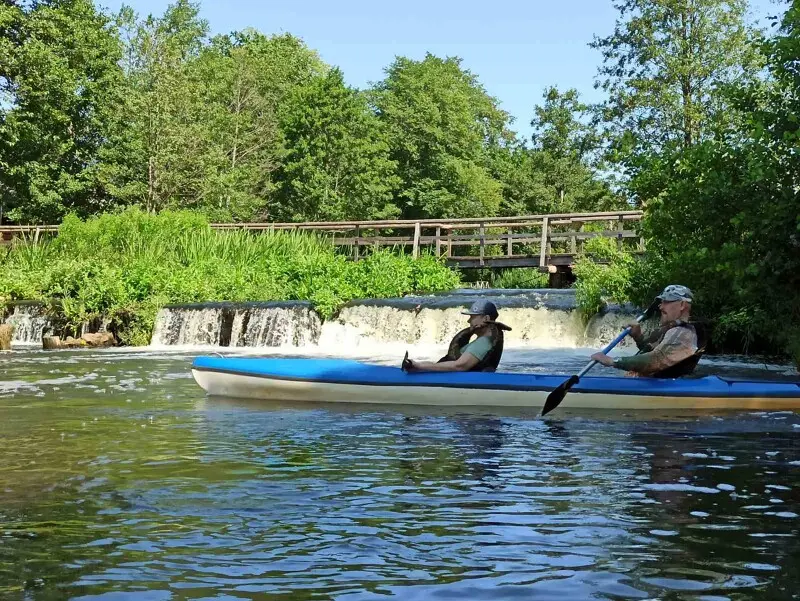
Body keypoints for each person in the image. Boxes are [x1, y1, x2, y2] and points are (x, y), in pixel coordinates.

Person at [590, 284, 704, 378]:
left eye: (666, 301)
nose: (661, 307)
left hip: (665, 389)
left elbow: (655, 360)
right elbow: (654, 352)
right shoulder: (673, 329)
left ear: (682, 305)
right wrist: (638, 337)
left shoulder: (683, 333)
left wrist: (613, 361)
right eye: (661, 302)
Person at [403, 299, 511, 373]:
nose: (469, 321)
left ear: (486, 319)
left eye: (473, 317)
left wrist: (418, 365)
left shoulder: (483, 343)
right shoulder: (487, 340)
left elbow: (459, 366)